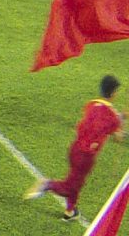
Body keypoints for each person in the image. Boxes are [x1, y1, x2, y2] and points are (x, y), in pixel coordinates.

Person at [27, 75, 124, 221]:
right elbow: (118, 136)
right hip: (86, 156)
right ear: (113, 93)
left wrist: (121, 117)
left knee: (76, 181)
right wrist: (121, 122)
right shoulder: (113, 117)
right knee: (70, 187)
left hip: (74, 149)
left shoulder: (92, 104)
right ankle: (47, 184)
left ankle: (70, 211)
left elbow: (100, 120)